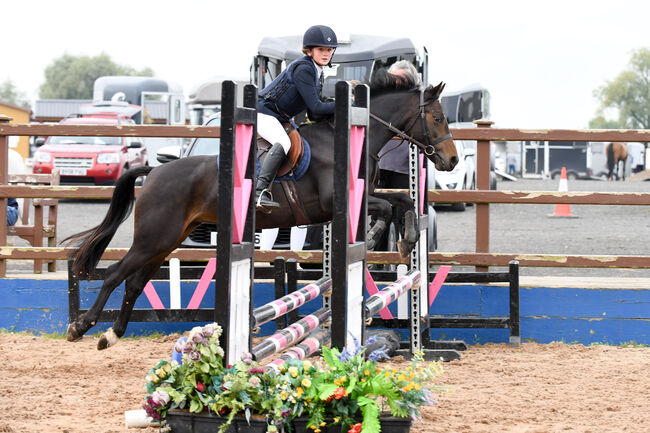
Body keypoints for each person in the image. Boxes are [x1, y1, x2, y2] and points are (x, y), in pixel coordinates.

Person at [255, 25, 338, 213]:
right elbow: (316, 107)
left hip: (279, 116)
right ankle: (259, 192)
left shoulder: (318, 71)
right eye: (321, 49)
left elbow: (313, 114)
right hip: (264, 112)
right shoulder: (304, 70)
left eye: (329, 50)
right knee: (283, 142)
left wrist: (334, 104)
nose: (326, 53)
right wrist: (343, 103)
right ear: (309, 51)